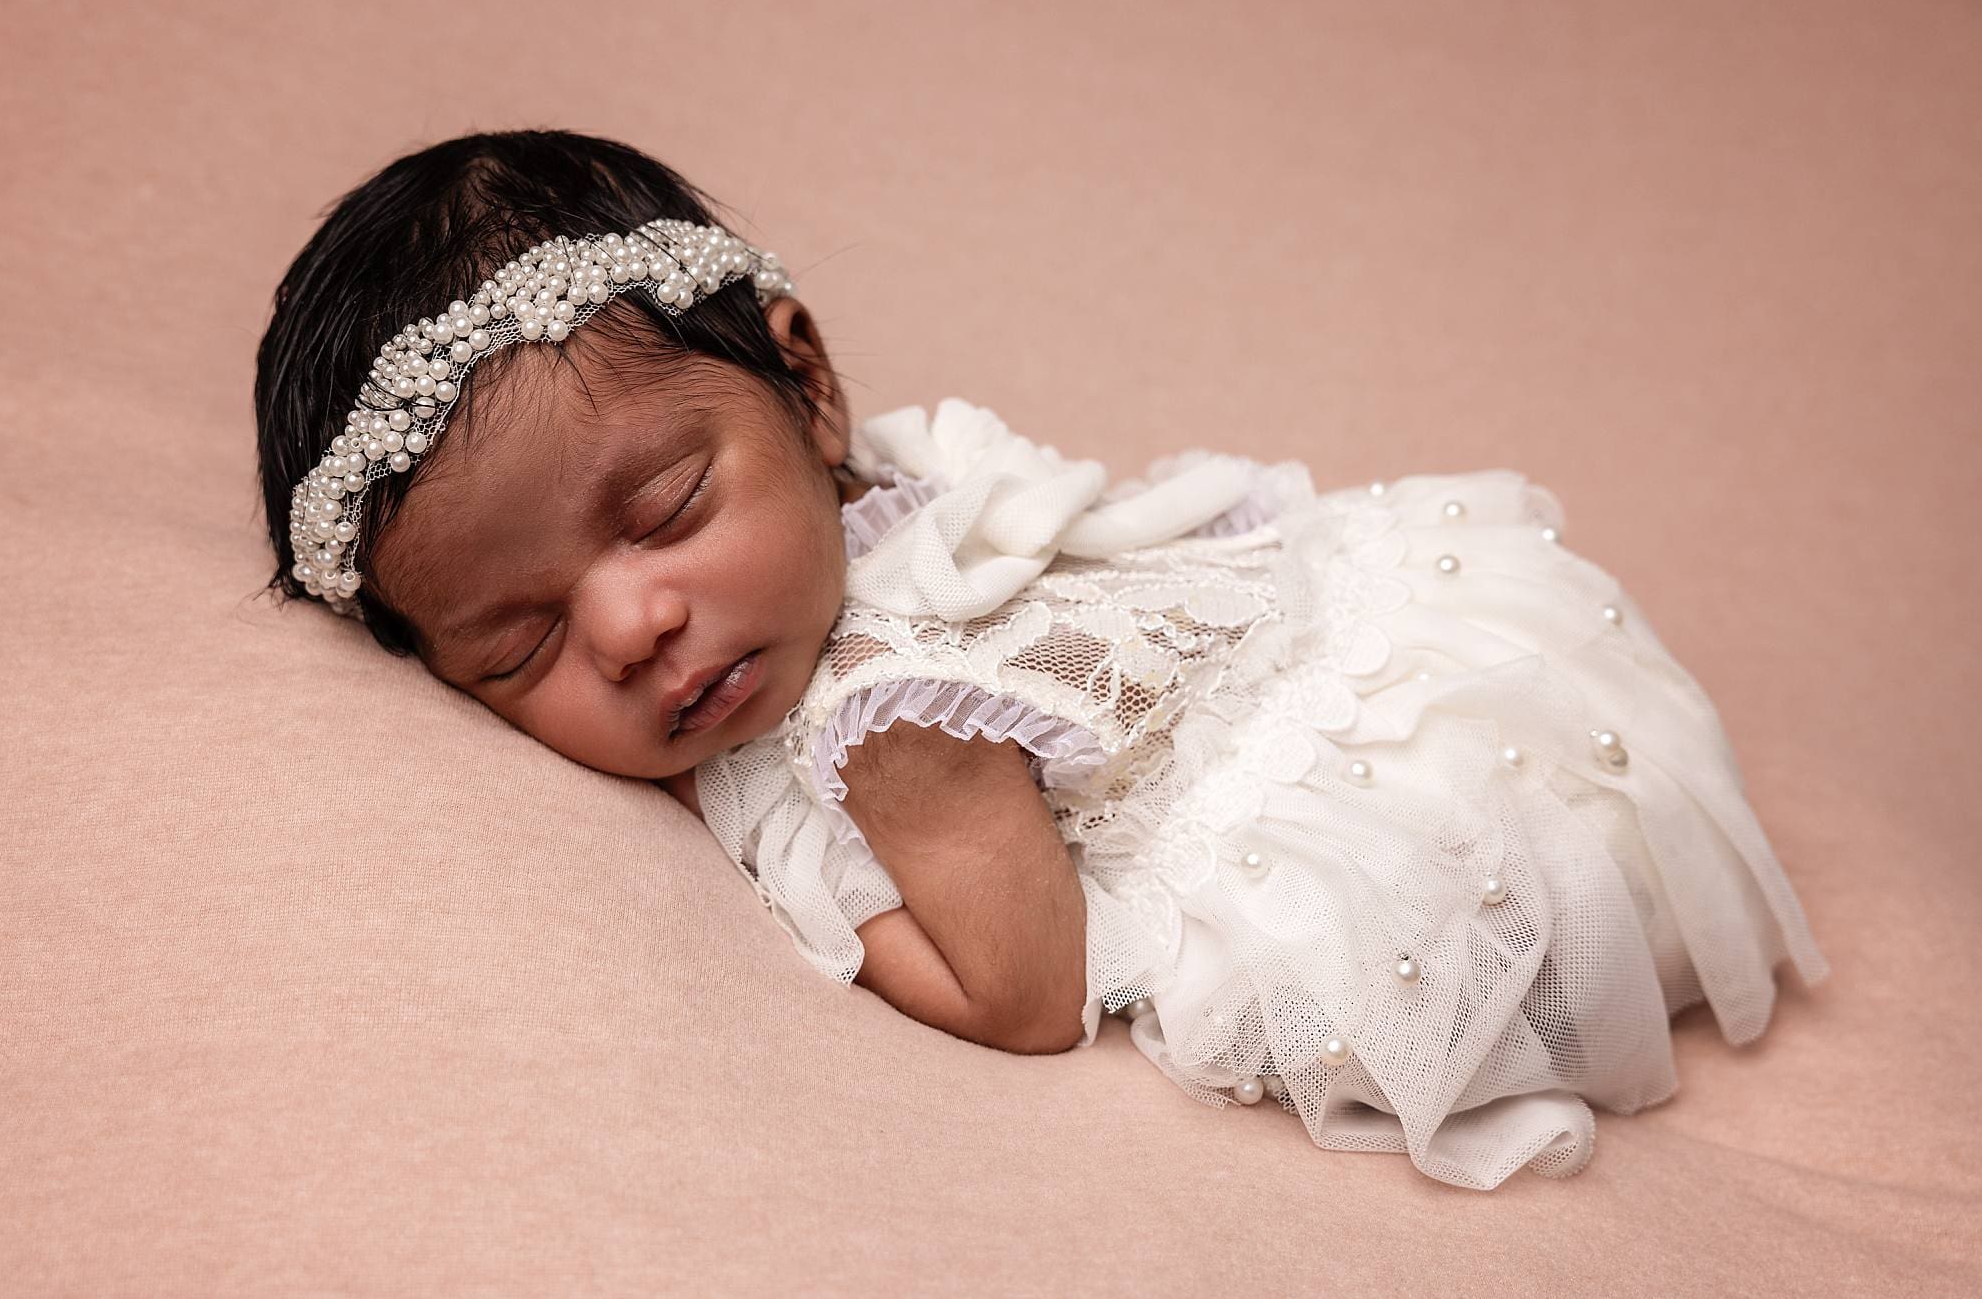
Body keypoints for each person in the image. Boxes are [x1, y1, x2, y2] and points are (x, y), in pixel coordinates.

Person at [253, 128, 1830, 1191]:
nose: (628, 628)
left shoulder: (886, 722)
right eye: (521, 646)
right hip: (1434, 657)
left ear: (804, 389)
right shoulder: (863, 517)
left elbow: (1027, 995)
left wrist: (852, 878)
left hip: (1434, 805)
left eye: (665, 508)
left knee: (1488, 952)